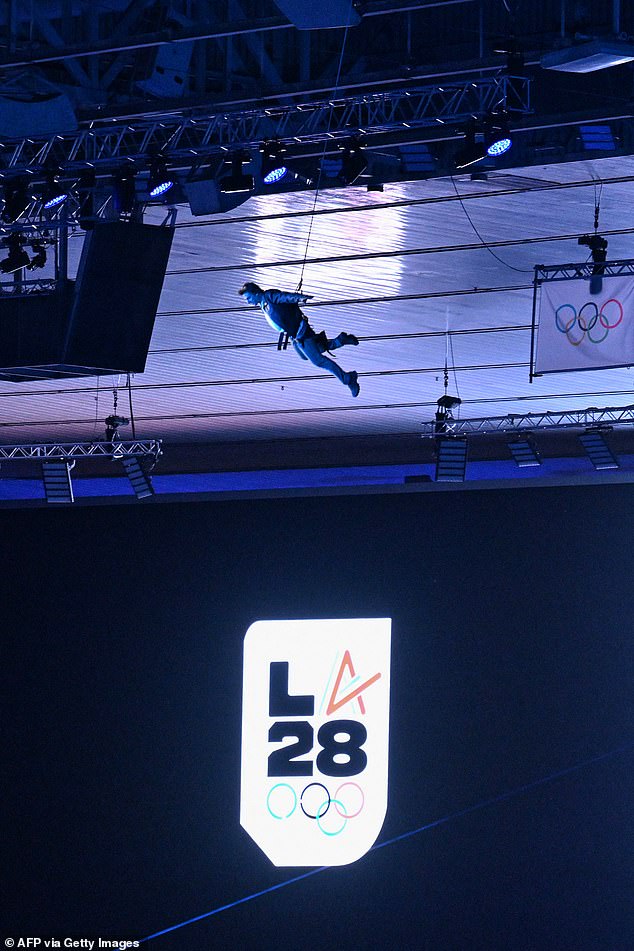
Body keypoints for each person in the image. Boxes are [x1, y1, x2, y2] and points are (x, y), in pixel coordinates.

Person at [238, 282, 361, 397]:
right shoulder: (263, 303)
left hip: (301, 332)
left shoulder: (269, 296)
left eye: (248, 298)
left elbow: (285, 297)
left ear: (256, 293)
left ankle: (348, 379)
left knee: (318, 360)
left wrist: (299, 298)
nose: (248, 302)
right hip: (294, 335)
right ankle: (341, 340)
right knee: (307, 354)